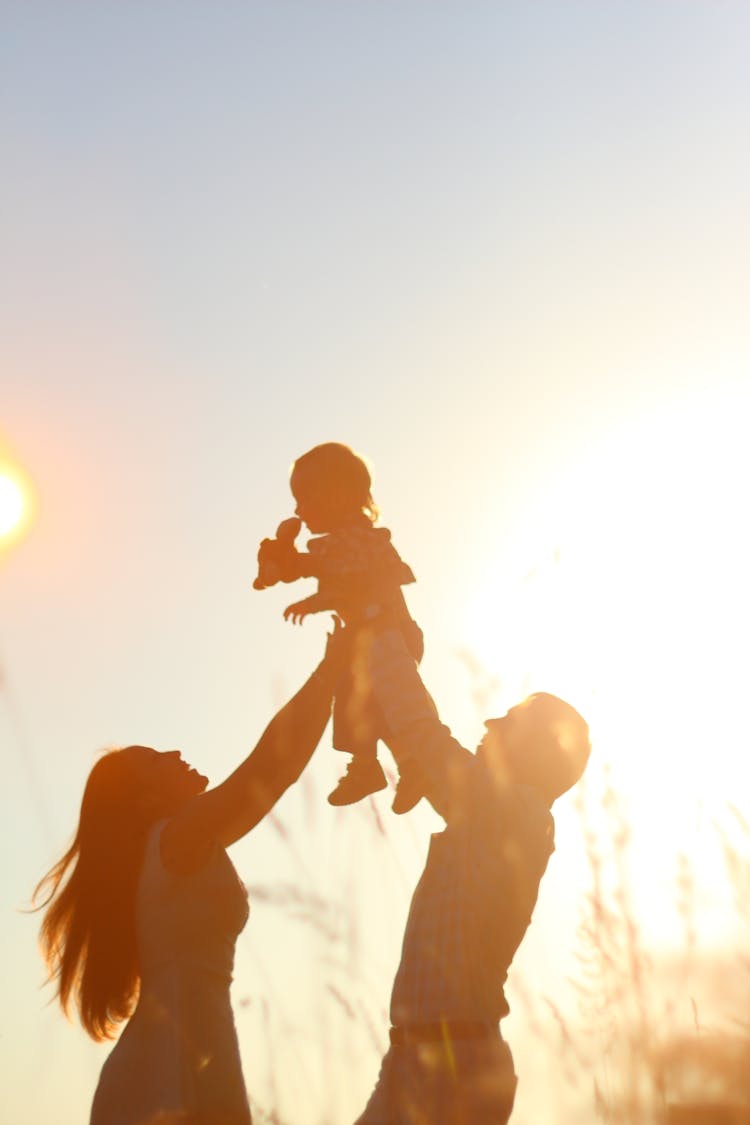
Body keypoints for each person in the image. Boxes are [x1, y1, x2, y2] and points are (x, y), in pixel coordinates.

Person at [33, 626, 345, 1125]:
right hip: (170, 1066)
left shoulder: (175, 848)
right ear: (146, 799)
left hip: (180, 1052)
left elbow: (270, 775)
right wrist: (330, 671)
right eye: (158, 760)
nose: (176, 754)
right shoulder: (174, 838)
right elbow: (269, 770)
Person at [351, 626, 592, 1125]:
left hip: (454, 1070)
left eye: (510, 720)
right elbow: (422, 752)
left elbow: (425, 735)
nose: (490, 720)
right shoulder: (489, 816)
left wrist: (382, 630)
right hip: (412, 1061)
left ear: (538, 752)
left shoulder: (516, 813)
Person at [253, 441, 424, 811]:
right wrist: (283, 563)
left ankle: (401, 763)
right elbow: (323, 569)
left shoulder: (361, 539)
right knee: (358, 702)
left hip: (389, 637)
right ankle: (374, 765)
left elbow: (355, 580)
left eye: (305, 496)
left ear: (339, 494)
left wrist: (313, 598)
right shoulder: (339, 543)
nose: (298, 508)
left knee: (379, 704)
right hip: (368, 641)